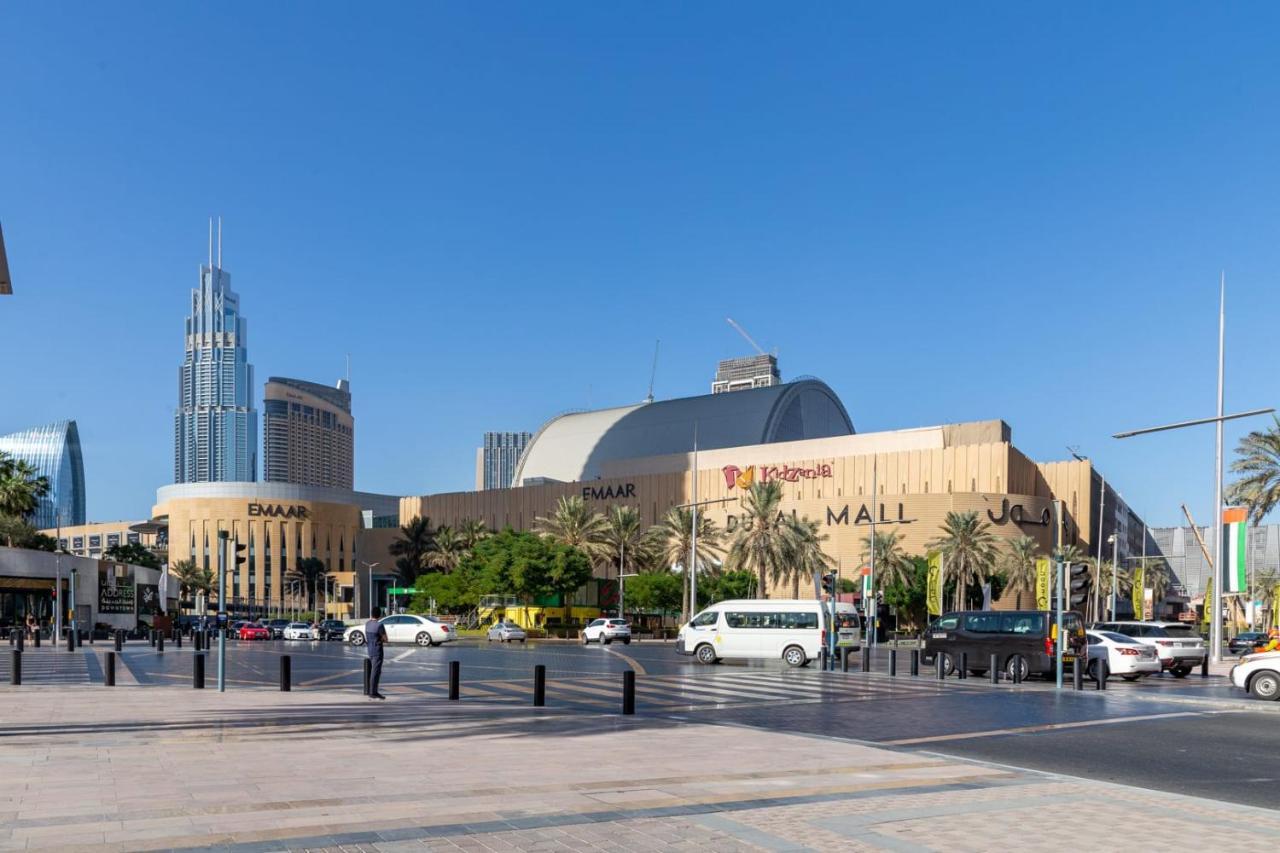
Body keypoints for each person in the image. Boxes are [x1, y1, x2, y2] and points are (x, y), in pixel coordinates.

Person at [365, 607, 389, 700]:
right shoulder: (380, 625)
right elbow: (385, 639)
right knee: (376, 671)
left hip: (370, 649)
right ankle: (373, 692)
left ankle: (373, 691)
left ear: (371, 614)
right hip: (377, 650)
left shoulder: (367, 624)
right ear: (379, 615)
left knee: (373, 671)